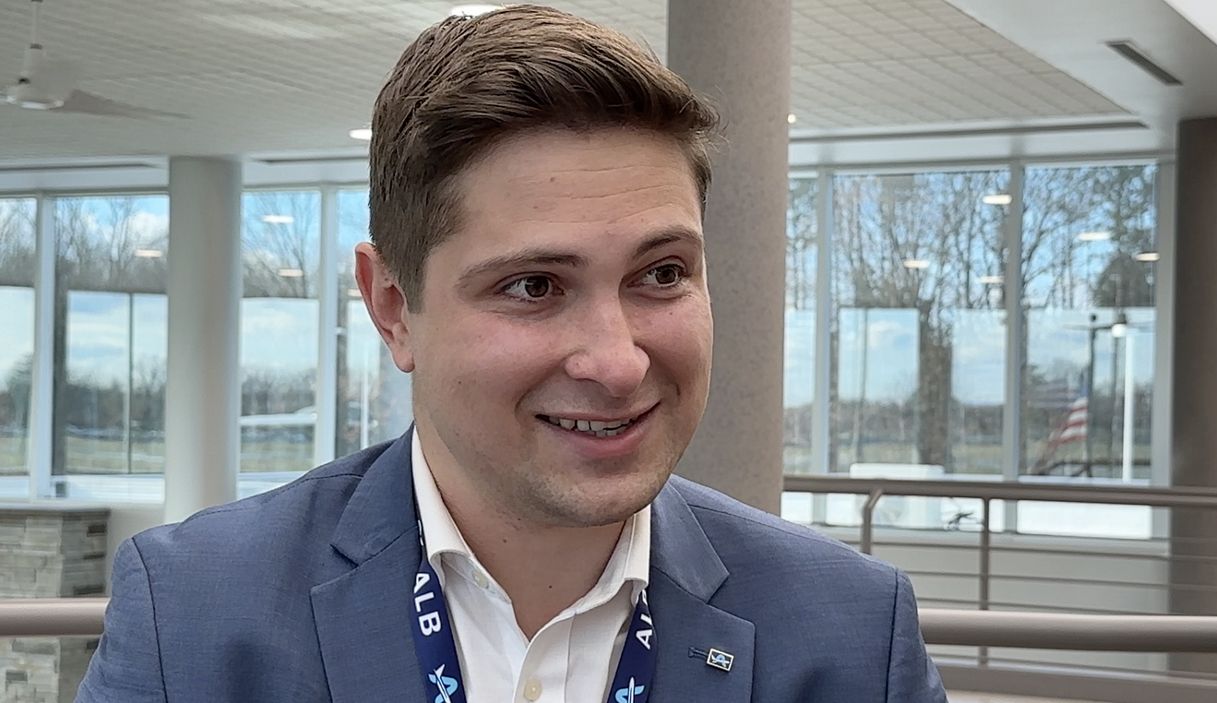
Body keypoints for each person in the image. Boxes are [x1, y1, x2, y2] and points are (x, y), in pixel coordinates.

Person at [78, 5, 946, 702]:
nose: (618, 362)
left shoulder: (850, 637)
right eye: (534, 286)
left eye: (662, 273)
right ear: (394, 309)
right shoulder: (194, 618)